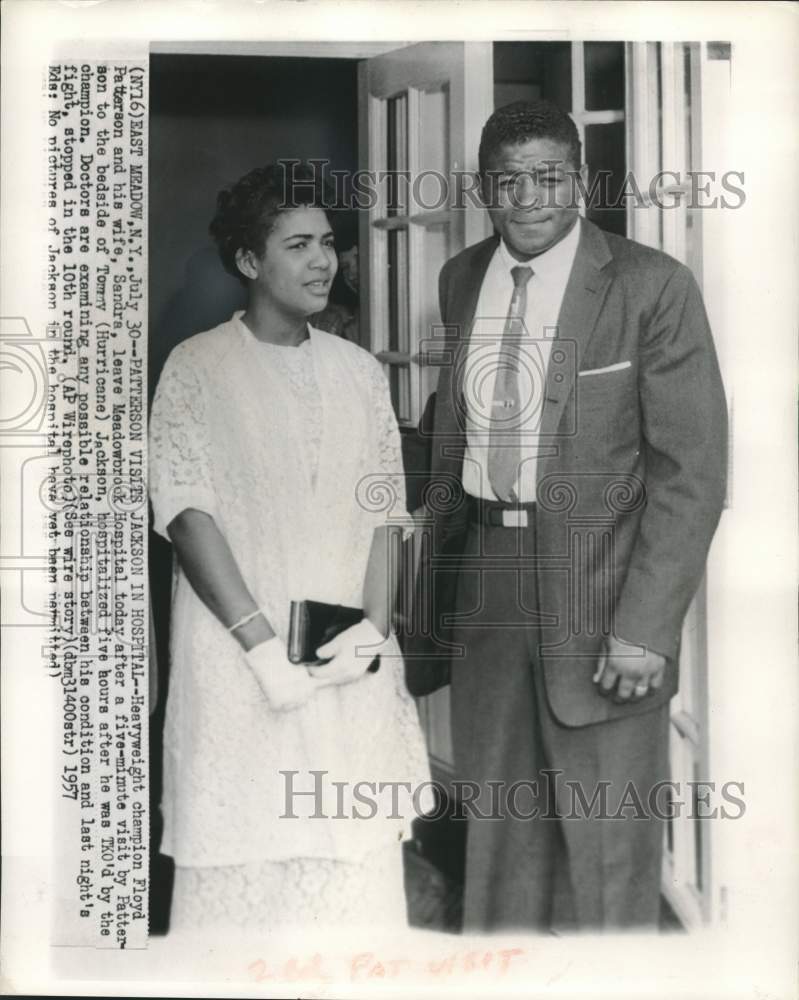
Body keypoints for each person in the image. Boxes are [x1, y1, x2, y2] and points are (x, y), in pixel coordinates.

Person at [407, 101, 728, 932]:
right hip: (487, 577)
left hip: (604, 588)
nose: (529, 198)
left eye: (548, 177)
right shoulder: (460, 278)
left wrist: (645, 629)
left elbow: (690, 473)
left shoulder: (651, 284)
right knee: (498, 836)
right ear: (483, 189)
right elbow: (454, 436)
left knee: (606, 845)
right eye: (507, 181)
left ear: (579, 181)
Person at [148, 163, 430, 933]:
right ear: (248, 262)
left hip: (345, 662)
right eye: (297, 244)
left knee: (349, 884)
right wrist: (263, 650)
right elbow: (186, 512)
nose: (321, 261)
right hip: (241, 664)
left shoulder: (359, 372)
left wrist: (373, 627)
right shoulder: (198, 367)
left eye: (327, 243)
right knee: (247, 885)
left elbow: (384, 510)